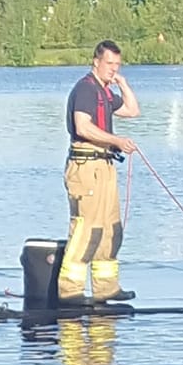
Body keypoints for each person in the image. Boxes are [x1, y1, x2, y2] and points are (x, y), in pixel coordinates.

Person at [58, 41, 140, 305]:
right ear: (96, 62)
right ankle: (70, 290)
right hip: (86, 167)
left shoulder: (105, 91)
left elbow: (132, 110)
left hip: (105, 166)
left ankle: (106, 287)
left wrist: (123, 84)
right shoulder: (85, 89)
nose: (112, 69)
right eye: (109, 64)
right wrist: (116, 141)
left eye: (117, 64)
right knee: (87, 229)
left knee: (110, 229)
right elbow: (83, 127)